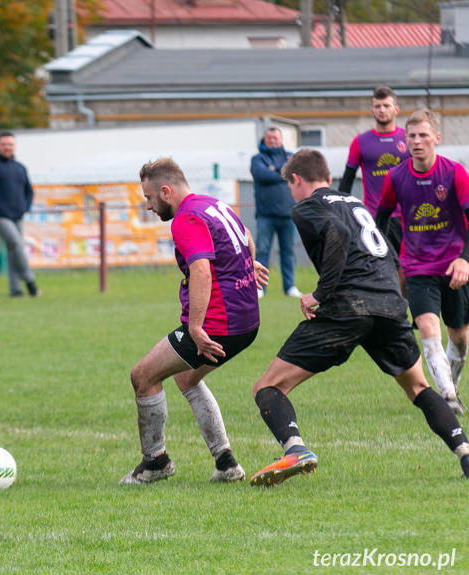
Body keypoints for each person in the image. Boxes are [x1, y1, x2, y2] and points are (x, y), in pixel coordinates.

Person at [249, 149, 469, 487]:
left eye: (290, 186)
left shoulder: (307, 206)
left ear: (296, 180)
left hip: (348, 307)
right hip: (389, 303)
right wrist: (395, 301)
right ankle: (464, 451)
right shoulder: (356, 205)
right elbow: (388, 255)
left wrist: (320, 294)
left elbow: (337, 235)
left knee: (267, 385)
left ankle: (295, 448)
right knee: (418, 387)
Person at [120, 158, 268, 485]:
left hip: (218, 324)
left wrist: (196, 327)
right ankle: (226, 463)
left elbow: (201, 269)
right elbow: (244, 235)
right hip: (247, 321)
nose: (148, 206)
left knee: (143, 376)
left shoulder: (185, 218)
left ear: (166, 191)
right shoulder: (213, 205)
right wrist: (250, 263)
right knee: (187, 379)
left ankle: (155, 461)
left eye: (149, 198)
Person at [376, 109, 469, 417]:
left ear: (436, 139)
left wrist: (464, 260)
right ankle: (447, 396)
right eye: (412, 136)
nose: (417, 141)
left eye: (423, 135)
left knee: (460, 336)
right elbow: (381, 219)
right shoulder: (396, 177)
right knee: (429, 326)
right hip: (417, 267)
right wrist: (386, 256)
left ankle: (451, 385)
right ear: (405, 140)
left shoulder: (454, 173)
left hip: (454, 265)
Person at [339, 85, 410, 258]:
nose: (382, 110)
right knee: (380, 267)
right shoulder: (360, 142)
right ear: (372, 109)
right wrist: (340, 212)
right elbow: (347, 180)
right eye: (378, 106)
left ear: (396, 109)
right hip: (374, 218)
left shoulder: (409, 139)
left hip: (407, 217)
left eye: (386, 106)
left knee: (409, 269)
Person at [0, 131, 39, 297]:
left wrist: (25, 206)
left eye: (10, 144)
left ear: (14, 146)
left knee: (12, 249)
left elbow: (28, 190)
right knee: (16, 243)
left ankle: (15, 289)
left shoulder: (19, 167)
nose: (6, 147)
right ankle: (29, 280)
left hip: (17, 214)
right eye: (3, 144)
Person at [250, 126, 301, 299]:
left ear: (281, 140)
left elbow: (295, 173)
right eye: (269, 138)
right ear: (265, 140)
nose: (272, 140)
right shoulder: (257, 158)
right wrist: (282, 172)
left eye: (275, 138)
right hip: (266, 215)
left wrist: (274, 170)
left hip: (288, 215)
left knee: (288, 252)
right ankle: (259, 288)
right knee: (262, 252)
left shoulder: (290, 156)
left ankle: (290, 287)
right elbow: (261, 175)